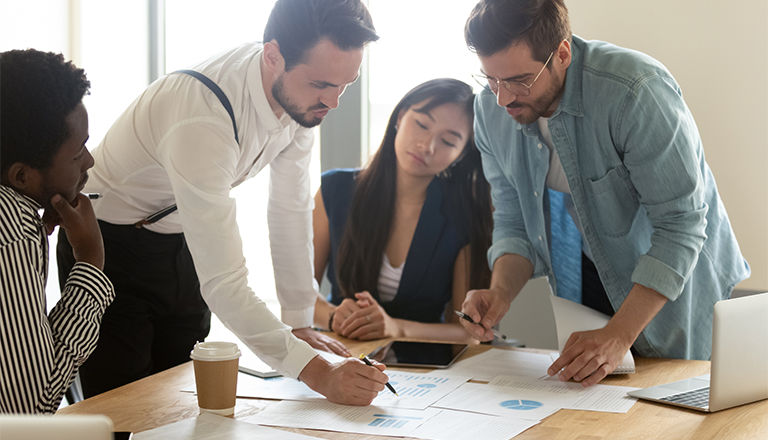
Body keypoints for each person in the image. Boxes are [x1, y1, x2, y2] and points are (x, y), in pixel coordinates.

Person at [56, 0, 387, 405]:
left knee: (177, 404)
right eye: (321, 85)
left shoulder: (301, 101)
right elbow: (226, 283)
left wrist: (299, 322)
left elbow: (290, 209)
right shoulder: (203, 116)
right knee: (122, 409)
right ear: (273, 56)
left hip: (181, 241)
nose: (333, 102)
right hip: (111, 246)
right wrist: (319, 373)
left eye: (345, 85)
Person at [459, 0, 750, 387]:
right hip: (598, 278)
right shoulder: (490, 110)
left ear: (561, 53)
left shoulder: (635, 91)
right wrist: (500, 293)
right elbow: (514, 222)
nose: (503, 99)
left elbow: (680, 226)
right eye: (491, 80)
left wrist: (619, 334)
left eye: (518, 80)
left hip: (680, 289)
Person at [312, 79, 492, 342]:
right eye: (421, 124)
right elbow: (295, 295)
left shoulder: (465, 216)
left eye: (448, 141)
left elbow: (468, 332)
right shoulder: (335, 190)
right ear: (399, 117)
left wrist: (396, 328)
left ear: (462, 154)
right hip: (340, 356)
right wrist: (331, 315)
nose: (427, 146)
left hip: (423, 372)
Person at [0, 49, 114, 413]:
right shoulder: (13, 231)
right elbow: (29, 406)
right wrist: (90, 263)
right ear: (21, 176)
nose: (91, 161)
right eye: (78, 153)